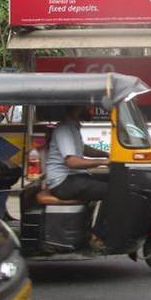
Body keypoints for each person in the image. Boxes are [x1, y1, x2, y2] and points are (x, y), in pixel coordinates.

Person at [44, 105, 111, 246]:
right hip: (63, 183)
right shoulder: (64, 130)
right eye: (88, 107)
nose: (91, 111)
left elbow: (83, 149)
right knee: (112, 191)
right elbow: (72, 162)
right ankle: (98, 235)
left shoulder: (73, 128)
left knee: (116, 180)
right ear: (76, 109)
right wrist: (103, 161)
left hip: (74, 178)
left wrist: (108, 154)